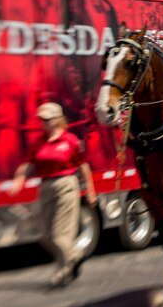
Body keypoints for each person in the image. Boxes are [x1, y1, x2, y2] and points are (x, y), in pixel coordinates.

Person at [9, 102, 97, 287]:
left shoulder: (70, 140)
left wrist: (90, 190)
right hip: (46, 187)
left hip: (66, 186)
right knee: (46, 237)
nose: (44, 123)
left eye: (48, 119)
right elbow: (28, 163)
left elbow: (83, 166)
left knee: (60, 236)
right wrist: (19, 178)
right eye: (42, 120)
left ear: (58, 119)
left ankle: (63, 271)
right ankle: (75, 256)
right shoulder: (39, 142)